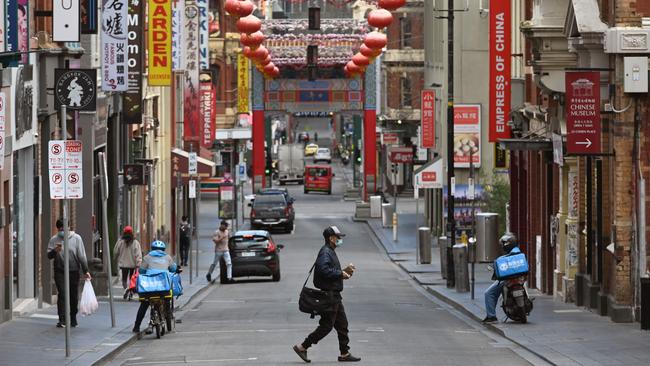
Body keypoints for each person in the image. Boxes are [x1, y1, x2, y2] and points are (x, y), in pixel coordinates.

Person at [293, 226, 361, 363]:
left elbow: (329, 270)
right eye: (338, 237)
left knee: (342, 324)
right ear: (331, 238)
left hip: (335, 296)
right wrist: (340, 273)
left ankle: (344, 353)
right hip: (329, 296)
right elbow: (323, 270)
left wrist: (343, 271)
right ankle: (302, 347)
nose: (340, 239)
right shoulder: (325, 252)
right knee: (326, 326)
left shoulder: (330, 251)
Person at [47, 219, 92, 328]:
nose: (62, 230)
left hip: (73, 270)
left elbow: (81, 256)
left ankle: (73, 317)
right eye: (60, 228)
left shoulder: (77, 238)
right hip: (59, 271)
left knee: (73, 295)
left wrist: (86, 270)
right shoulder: (54, 239)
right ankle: (62, 319)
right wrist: (55, 251)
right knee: (62, 294)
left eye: (64, 227)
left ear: (68, 227)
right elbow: (49, 255)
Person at [133, 240, 179, 333]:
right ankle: (167, 315)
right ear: (163, 249)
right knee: (167, 301)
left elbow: (141, 271)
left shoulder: (147, 257)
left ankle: (136, 326)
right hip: (163, 288)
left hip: (149, 289)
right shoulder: (167, 258)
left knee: (144, 305)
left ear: (152, 249)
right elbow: (173, 269)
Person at [483, 232, 521, 324]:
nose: (503, 246)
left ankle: (491, 316)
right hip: (519, 278)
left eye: (504, 244)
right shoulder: (518, 252)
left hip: (507, 279)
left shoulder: (506, 257)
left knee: (489, 293)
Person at [113, 226, 142, 300]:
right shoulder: (135, 242)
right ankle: (130, 292)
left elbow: (115, 251)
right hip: (133, 264)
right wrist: (138, 264)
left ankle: (126, 289)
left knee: (124, 279)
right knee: (131, 280)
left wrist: (115, 258)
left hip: (123, 264)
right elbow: (138, 254)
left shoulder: (120, 241)